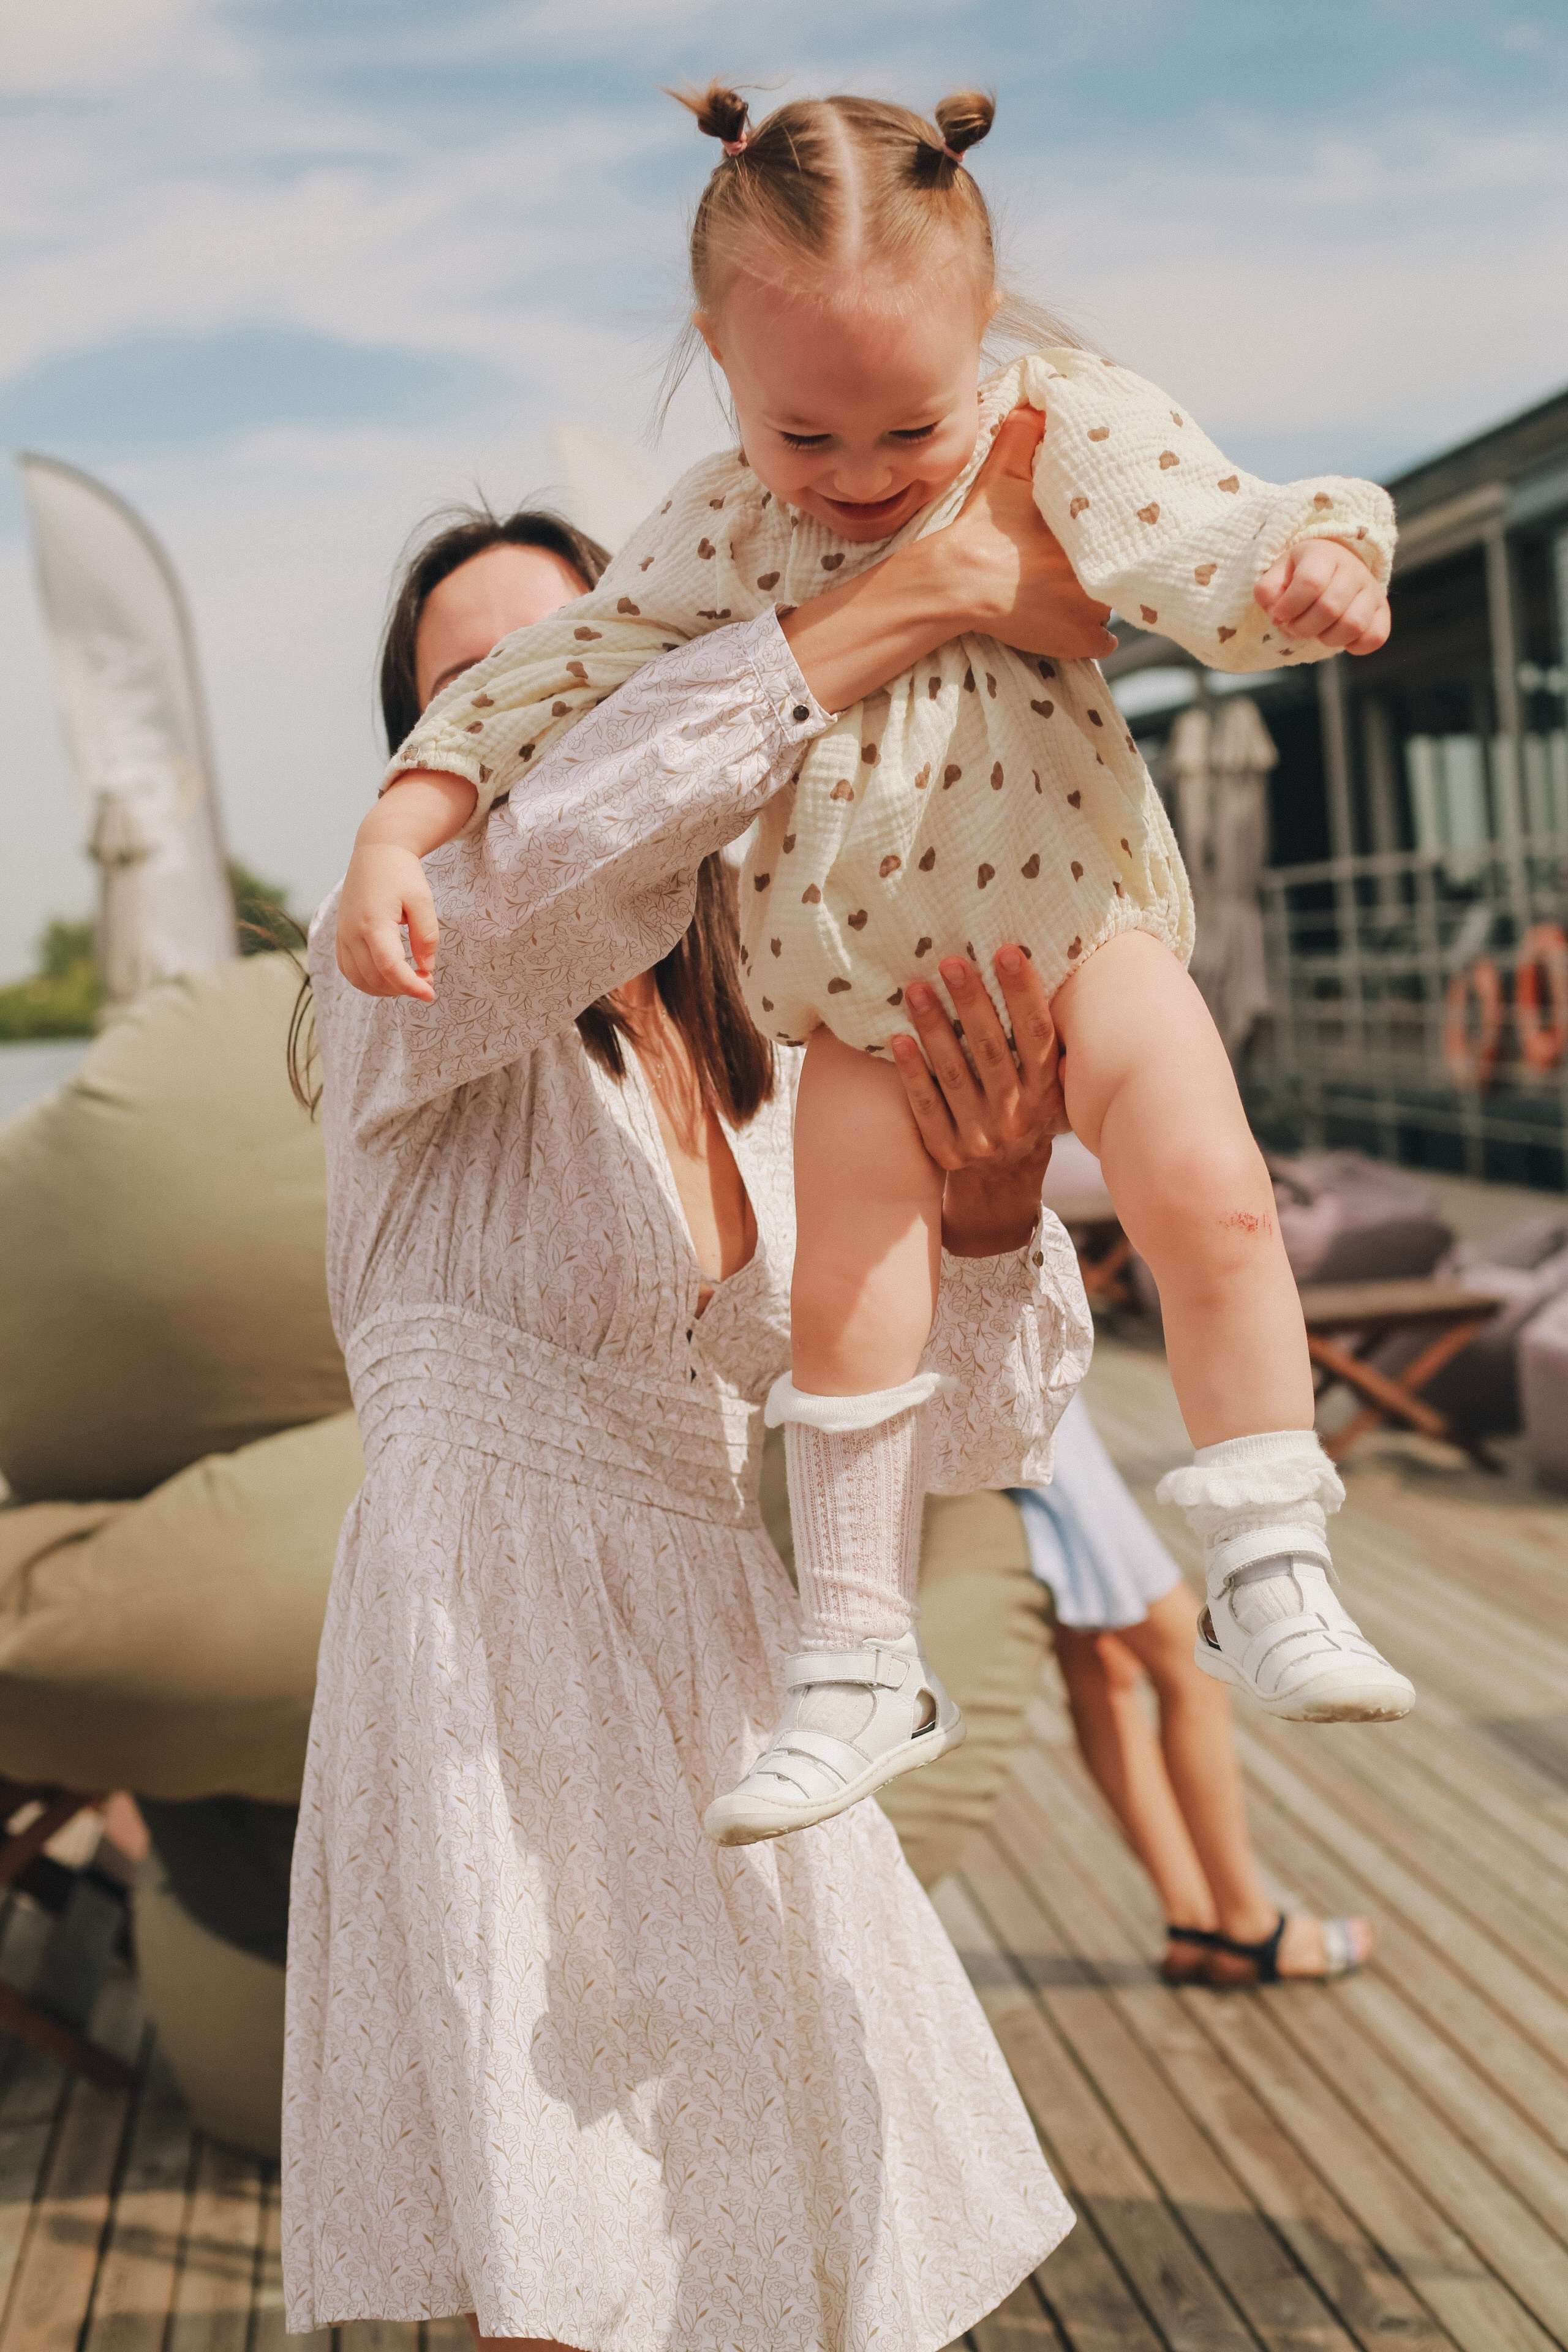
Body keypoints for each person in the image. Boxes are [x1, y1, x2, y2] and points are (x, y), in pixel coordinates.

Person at [341, 85, 1412, 1855]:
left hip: (1081, 927)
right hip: (861, 993)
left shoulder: (1053, 430)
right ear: (718, 362)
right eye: (802, 439)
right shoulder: (719, 539)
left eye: (900, 428)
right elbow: (564, 683)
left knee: (1218, 1201)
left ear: (977, 337)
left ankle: (1269, 1559)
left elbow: (1213, 530)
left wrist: (1315, 568)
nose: (851, 484)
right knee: (841, 1325)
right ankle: (852, 1656)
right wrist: (403, 826)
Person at [284, 465, 1109, 2342]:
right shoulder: (397, 976)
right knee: (563, 2257)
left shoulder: (765, 1062)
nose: (537, 699)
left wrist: (983, 1226)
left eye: (578, 647)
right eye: (470, 681)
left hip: (714, 1664)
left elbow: (966, 1437)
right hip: (490, 1655)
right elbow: (578, 838)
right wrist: (908, 598)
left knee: (788, 2237)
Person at [1012, 1393, 1373, 1985]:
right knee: (1190, 1660)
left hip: (994, 1427)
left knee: (1097, 1653)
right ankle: (1248, 1926)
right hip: (1040, 1427)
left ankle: (1191, 1919)